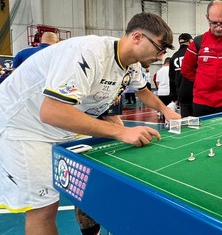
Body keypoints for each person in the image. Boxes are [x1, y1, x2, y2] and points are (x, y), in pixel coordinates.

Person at [0, 12, 181, 235]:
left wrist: (166, 111)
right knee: (43, 209)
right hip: (24, 127)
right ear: (137, 37)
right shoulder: (87, 53)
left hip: (62, 128)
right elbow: (51, 111)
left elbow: (142, 91)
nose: (160, 55)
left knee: (92, 180)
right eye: (159, 47)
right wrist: (120, 132)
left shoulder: (131, 64)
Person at [181, 0, 222, 116]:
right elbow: (186, 69)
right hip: (201, 101)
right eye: (214, 23)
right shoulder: (198, 42)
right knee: (202, 134)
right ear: (207, 18)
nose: (218, 28)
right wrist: (201, 80)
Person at [170, 33, 194, 117]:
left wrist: (174, 97)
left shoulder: (174, 57)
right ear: (191, 41)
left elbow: (172, 78)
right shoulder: (193, 54)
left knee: (186, 121)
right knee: (198, 121)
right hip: (196, 93)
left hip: (182, 94)